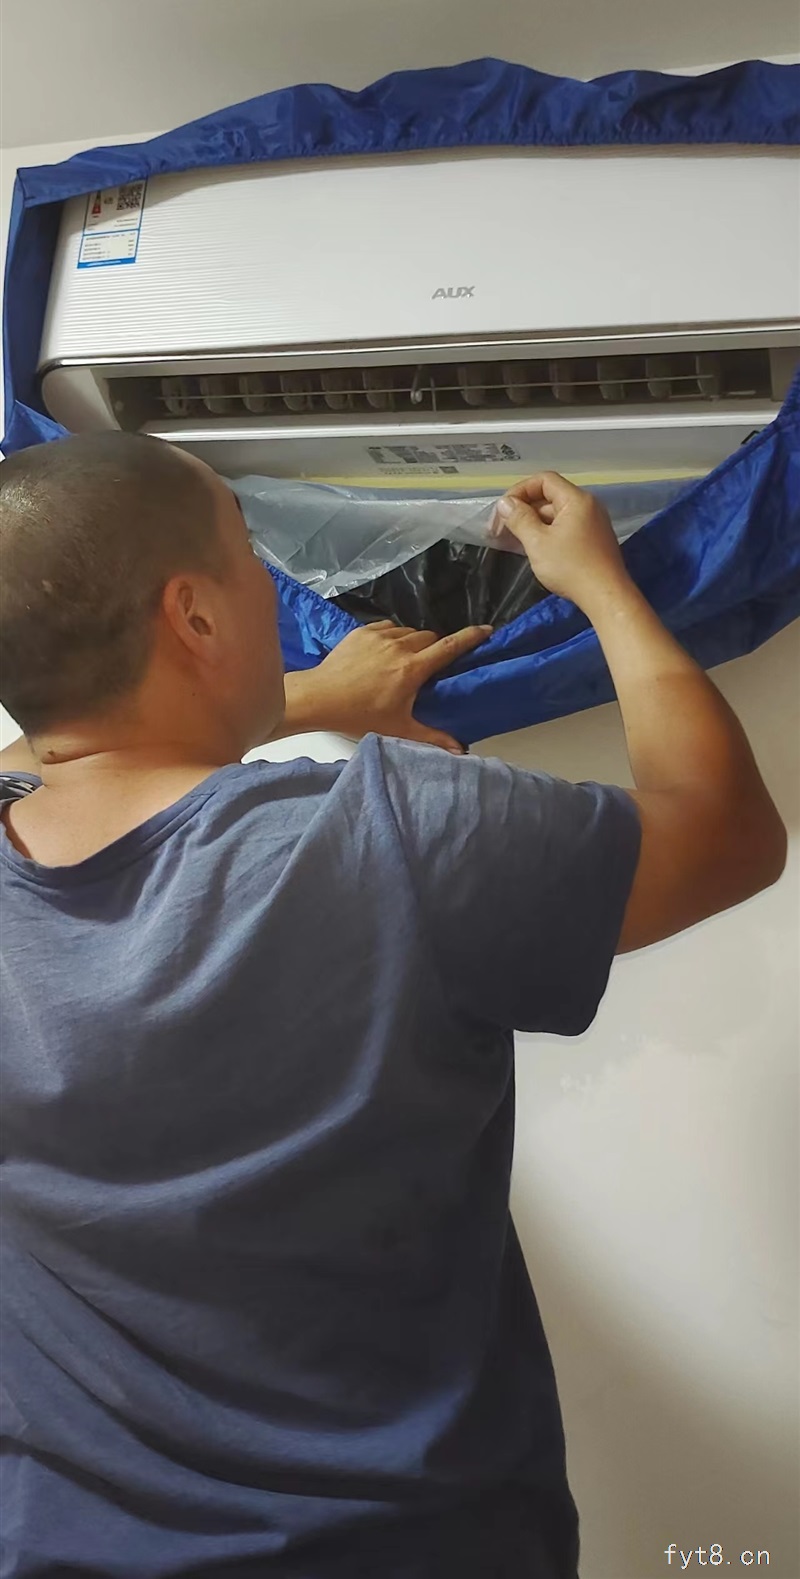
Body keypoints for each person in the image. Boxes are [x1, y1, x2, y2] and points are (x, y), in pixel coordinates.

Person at [0, 433, 785, 1579]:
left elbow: (50, 736)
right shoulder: (397, 831)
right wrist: (602, 588)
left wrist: (292, 700)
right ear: (194, 616)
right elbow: (723, 829)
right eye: (246, 556)